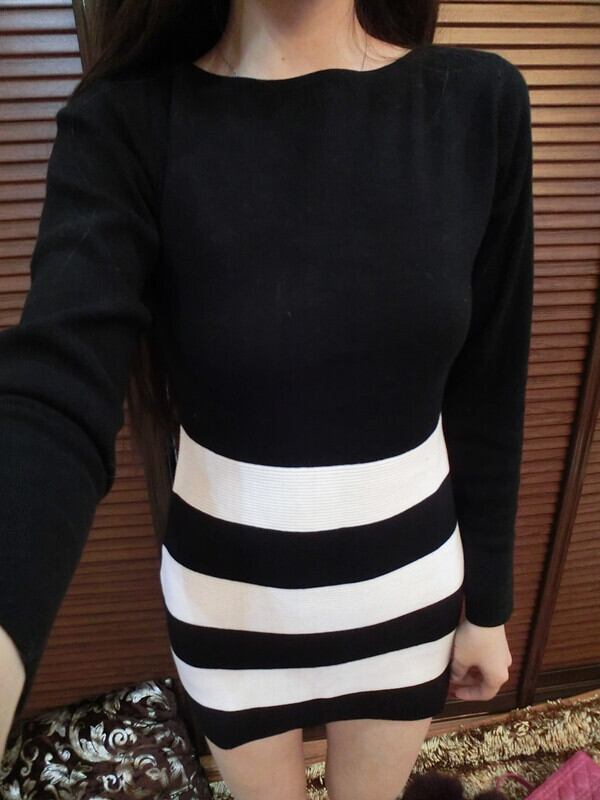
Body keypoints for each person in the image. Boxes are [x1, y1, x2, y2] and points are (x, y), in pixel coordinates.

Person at [0, 0, 534, 797]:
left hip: (409, 597)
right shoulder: (125, 121)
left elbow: (492, 385)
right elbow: (52, 390)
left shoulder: (476, 102)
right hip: (229, 612)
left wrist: (488, 606)